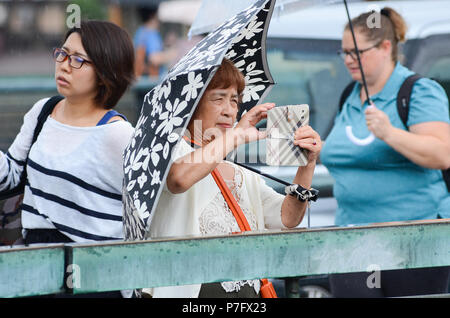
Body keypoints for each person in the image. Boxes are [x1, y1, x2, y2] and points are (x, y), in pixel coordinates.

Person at [142, 58, 322, 298]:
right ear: (192, 103)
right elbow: (178, 180)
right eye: (218, 98)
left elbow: (288, 217)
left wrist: (307, 164)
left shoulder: (238, 170)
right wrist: (235, 137)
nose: (229, 110)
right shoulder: (170, 149)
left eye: (235, 99)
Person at [320, 7, 450, 297]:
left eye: (357, 52)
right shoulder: (349, 96)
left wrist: (390, 133)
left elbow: (442, 154)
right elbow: (347, 153)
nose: (349, 60)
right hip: (350, 239)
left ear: (386, 47)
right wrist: (314, 148)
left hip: (413, 242)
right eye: (344, 53)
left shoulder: (417, 91)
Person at [0, 20, 135, 294]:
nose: (63, 65)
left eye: (78, 60)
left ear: (105, 70)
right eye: (62, 53)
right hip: (36, 268)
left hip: (94, 277)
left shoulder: (118, 134)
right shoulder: (43, 111)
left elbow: (145, 211)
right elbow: (11, 175)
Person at [133, 6, 175, 78]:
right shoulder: (151, 33)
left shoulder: (140, 31)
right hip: (152, 81)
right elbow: (154, 58)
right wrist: (173, 53)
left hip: (141, 80)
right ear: (153, 15)